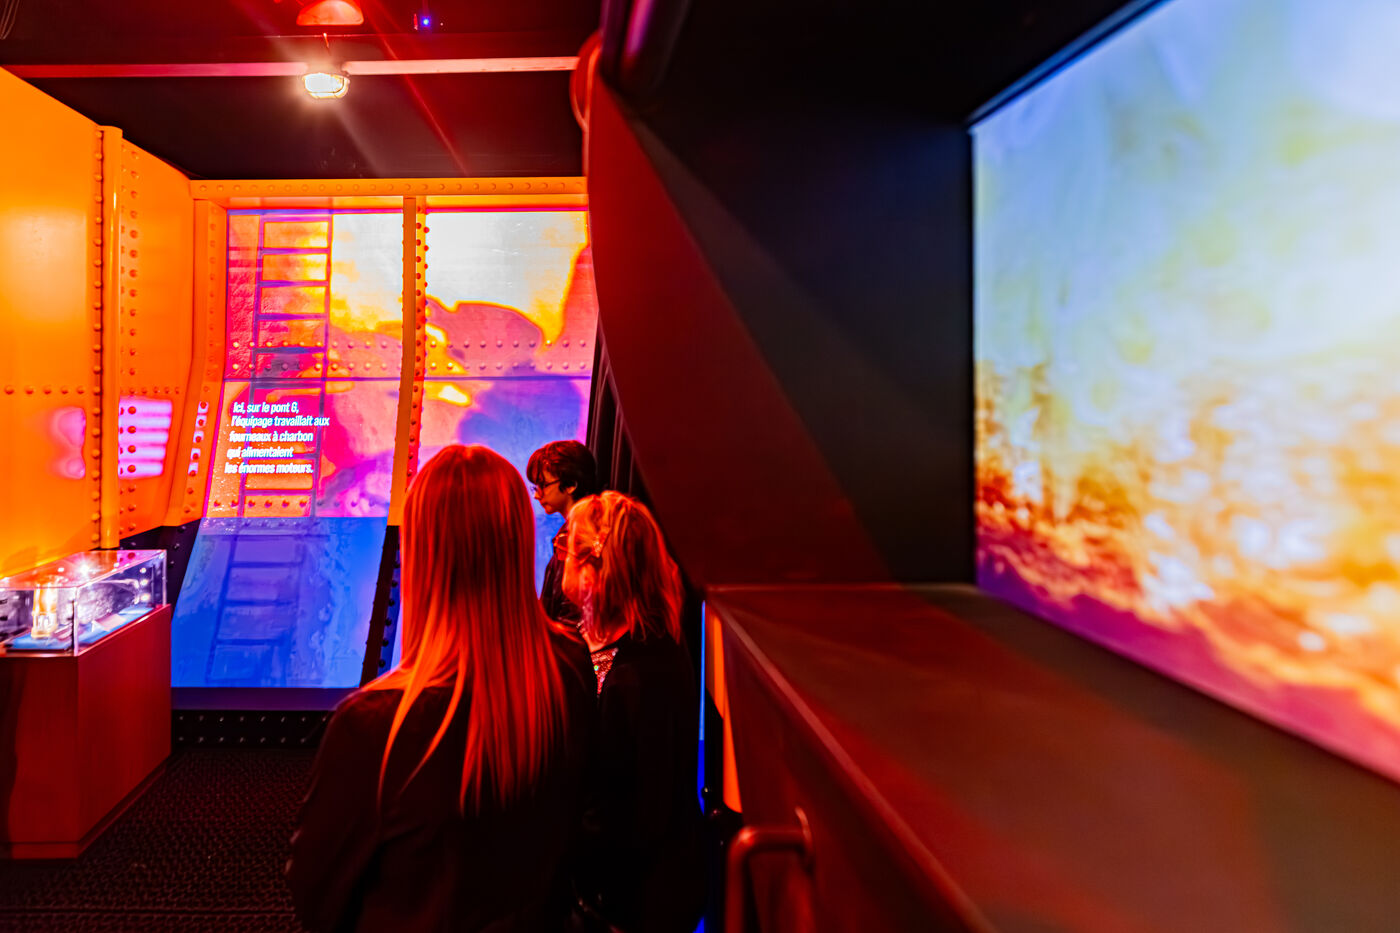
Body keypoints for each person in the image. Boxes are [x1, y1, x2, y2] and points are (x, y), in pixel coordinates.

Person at [286, 445, 596, 933]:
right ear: (516, 541)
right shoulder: (571, 668)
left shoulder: (374, 725)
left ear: (421, 552)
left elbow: (317, 895)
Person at [563, 491, 706, 933]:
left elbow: (635, 815)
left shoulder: (644, 672)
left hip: (634, 898)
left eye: (566, 545)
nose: (560, 556)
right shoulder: (598, 637)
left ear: (594, 569)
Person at [526, 440, 601, 626]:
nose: (536, 495)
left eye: (543, 485)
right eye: (535, 487)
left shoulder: (583, 537)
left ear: (570, 485)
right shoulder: (572, 531)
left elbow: (574, 614)